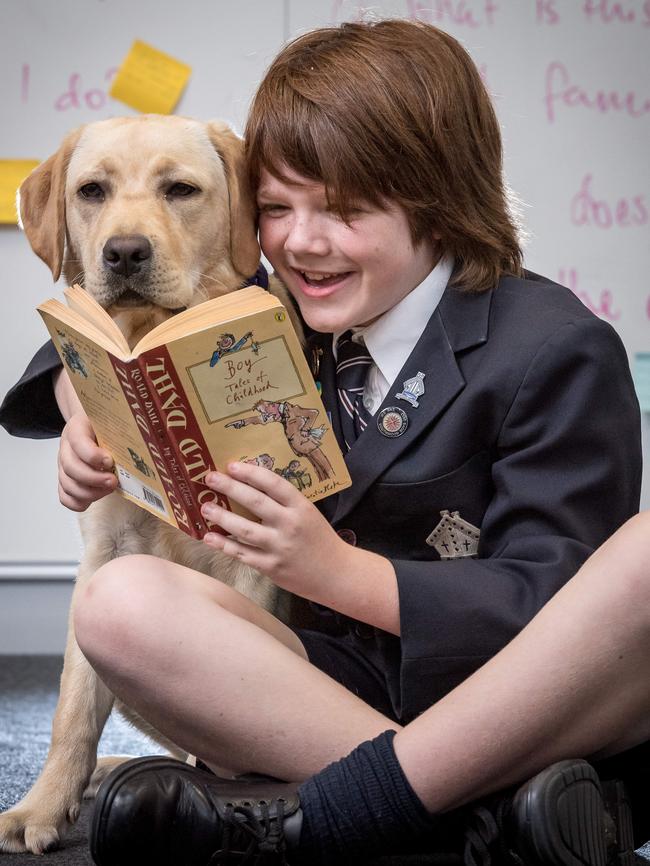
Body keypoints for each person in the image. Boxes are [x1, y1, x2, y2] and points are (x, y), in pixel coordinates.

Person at [0, 18, 645, 866]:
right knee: (119, 603)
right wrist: (75, 395)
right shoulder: (285, 315)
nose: (302, 242)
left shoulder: (552, 346)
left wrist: (341, 575)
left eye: (344, 209)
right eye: (275, 208)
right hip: (323, 692)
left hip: (509, 698)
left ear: (442, 201)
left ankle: (349, 807)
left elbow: (562, 613)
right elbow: (131, 314)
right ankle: (470, 815)